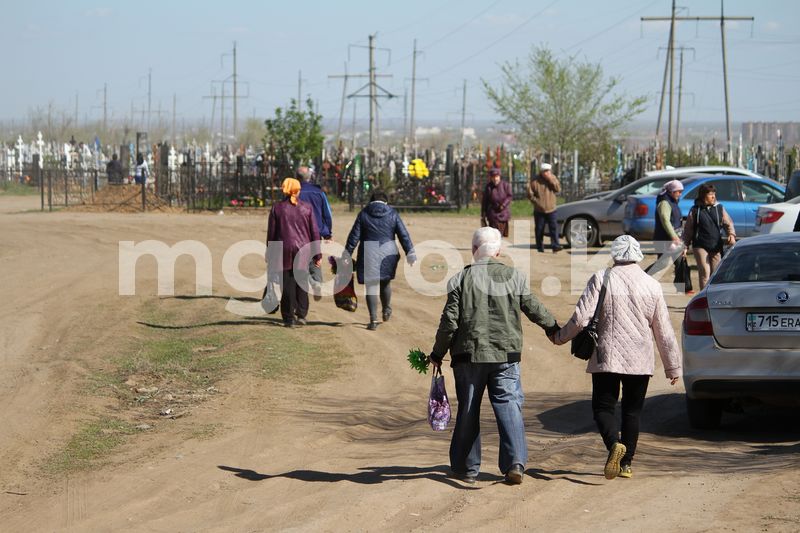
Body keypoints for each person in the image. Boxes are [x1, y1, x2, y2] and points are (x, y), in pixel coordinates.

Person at [428, 227, 559, 485]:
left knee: (468, 408)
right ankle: (515, 463)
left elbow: (449, 323)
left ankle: (466, 468)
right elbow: (533, 307)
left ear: (473, 249)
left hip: (469, 355)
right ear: (498, 251)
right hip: (506, 355)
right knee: (509, 404)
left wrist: (437, 352)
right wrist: (554, 329)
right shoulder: (513, 276)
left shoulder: (460, 280)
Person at [552, 235, 682, 480]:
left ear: (614, 254)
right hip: (640, 360)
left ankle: (614, 444)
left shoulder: (602, 278)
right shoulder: (651, 284)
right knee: (632, 412)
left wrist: (560, 337)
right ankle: (627, 464)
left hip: (606, 356)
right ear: (638, 256)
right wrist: (672, 367)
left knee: (603, 408)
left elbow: (581, 318)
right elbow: (663, 330)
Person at [344, 191, 416, 331]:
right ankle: (386, 309)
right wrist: (410, 254)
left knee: (371, 285)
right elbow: (403, 235)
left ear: (371, 201)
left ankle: (373, 320)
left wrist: (347, 254)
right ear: (386, 202)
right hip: (388, 252)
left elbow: (354, 236)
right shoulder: (392, 214)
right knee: (385, 282)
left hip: (368, 252)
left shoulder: (363, 214)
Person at [266, 177, 321, 327]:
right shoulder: (307, 208)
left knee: (287, 284)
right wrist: (317, 255)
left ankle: (289, 318)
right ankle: (302, 315)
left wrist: (269, 253)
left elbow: (272, 234)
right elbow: (314, 232)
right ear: (297, 190)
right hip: (304, 250)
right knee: (302, 282)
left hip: (283, 250)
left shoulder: (277, 208)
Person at [682, 183, 736, 290]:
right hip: (700, 245)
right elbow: (688, 230)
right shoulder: (695, 210)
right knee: (704, 273)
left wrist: (731, 234)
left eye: (714, 194)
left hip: (716, 244)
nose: (713, 196)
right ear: (703, 195)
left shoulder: (719, 208)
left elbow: (728, 223)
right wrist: (684, 246)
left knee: (716, 274)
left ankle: (714, 297)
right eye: (710, 194)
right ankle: (704, 300)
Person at [297, 165, 333, 301]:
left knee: (299, 263)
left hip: (298, 232)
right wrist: (328, 233)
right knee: (315, 260)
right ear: (310, 177)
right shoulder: (319, 192)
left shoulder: (295, 192)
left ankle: (308, 286)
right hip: (316, 232)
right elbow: (327, 214)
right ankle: (317, 283)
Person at [647, 179, 685, 279]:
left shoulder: (673, 202)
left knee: (680, 260)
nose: (680, 194)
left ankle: (684, 287)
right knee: (662, 263)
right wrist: (674, 237)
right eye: (679, 192)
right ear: (672, 191)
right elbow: (665, 220)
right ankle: (643, 277)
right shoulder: (664, 203)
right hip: (664, 238)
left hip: (673, 238)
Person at [527, 163, 562, 252]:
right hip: (539, 210)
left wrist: (551, 180)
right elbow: (530, 194)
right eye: (545, 171)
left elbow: (558, 189)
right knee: (539, 229)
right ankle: (539, 247)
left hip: (551, 209)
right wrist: (537, 202)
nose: (547, 173)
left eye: (548, 171)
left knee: (553, 228)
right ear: (541, 172)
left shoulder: (553, 178)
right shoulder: (535, 181)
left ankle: (555, 246)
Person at [480, 168, 512, 237]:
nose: (495, 179)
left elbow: (509, 196)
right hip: (492, 215)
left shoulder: (505, 185)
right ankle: (495, 246)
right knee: (493, 235)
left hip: (503, 214)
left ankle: (498, 246)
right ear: (491, 178)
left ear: (499, 176)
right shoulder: (488, 187)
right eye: (493, 177)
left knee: (500, 235)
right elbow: (484, 201)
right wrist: (483, 214)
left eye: (496, 177)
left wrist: (503, 205)